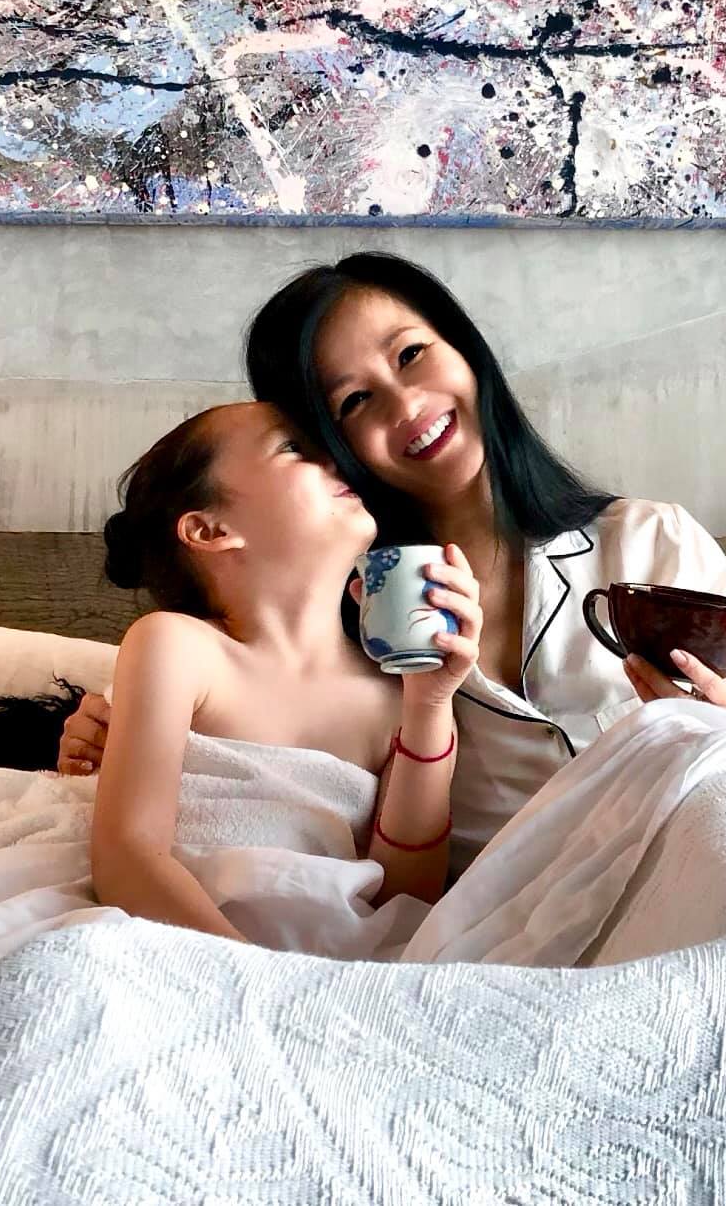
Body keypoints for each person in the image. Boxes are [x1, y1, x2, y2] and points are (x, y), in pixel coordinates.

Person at [61, 252, 726, 867]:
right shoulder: (347, 628)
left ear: (463, 348)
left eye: (411, 354)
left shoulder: (653, 544)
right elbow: (237, 737)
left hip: (684, 870)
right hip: (495, 931)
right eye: (354, 402)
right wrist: (105, 733)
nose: (406, 405)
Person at [90, 399, 482, 935]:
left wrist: (431, 706)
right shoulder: (177, 647)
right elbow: (127, 854)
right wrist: (250, 973)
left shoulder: (397, 699)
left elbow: (404, 901)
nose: (336, 458)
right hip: (193, 942)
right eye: (294, 447)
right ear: (209, 530)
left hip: (325, 951)